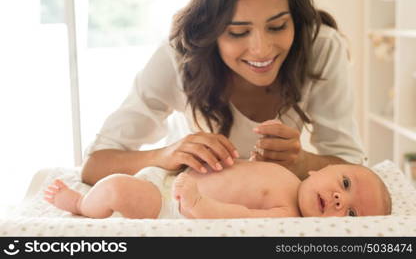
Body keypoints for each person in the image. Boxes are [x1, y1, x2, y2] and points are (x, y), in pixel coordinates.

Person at [81, 0, 365, 186]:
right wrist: (165, 155)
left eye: (277, 26)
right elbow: (95, 165)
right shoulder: (180, 57)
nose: (261, 49)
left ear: (296, 19)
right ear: (210, 32)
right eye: (238, 32)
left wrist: (301, 162)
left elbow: (353, 166)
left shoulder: (321, 46)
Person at [44, 160, 392, 219]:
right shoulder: (287, 175)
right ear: (319, 169)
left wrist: (197, 202)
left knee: (115, 190)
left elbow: (236, 217)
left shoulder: (288, 214)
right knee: (122, 179)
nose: (338, 198)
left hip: (175, 203)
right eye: (345, 184)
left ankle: (81, 204)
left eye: (350, 212)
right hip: (174, 178)